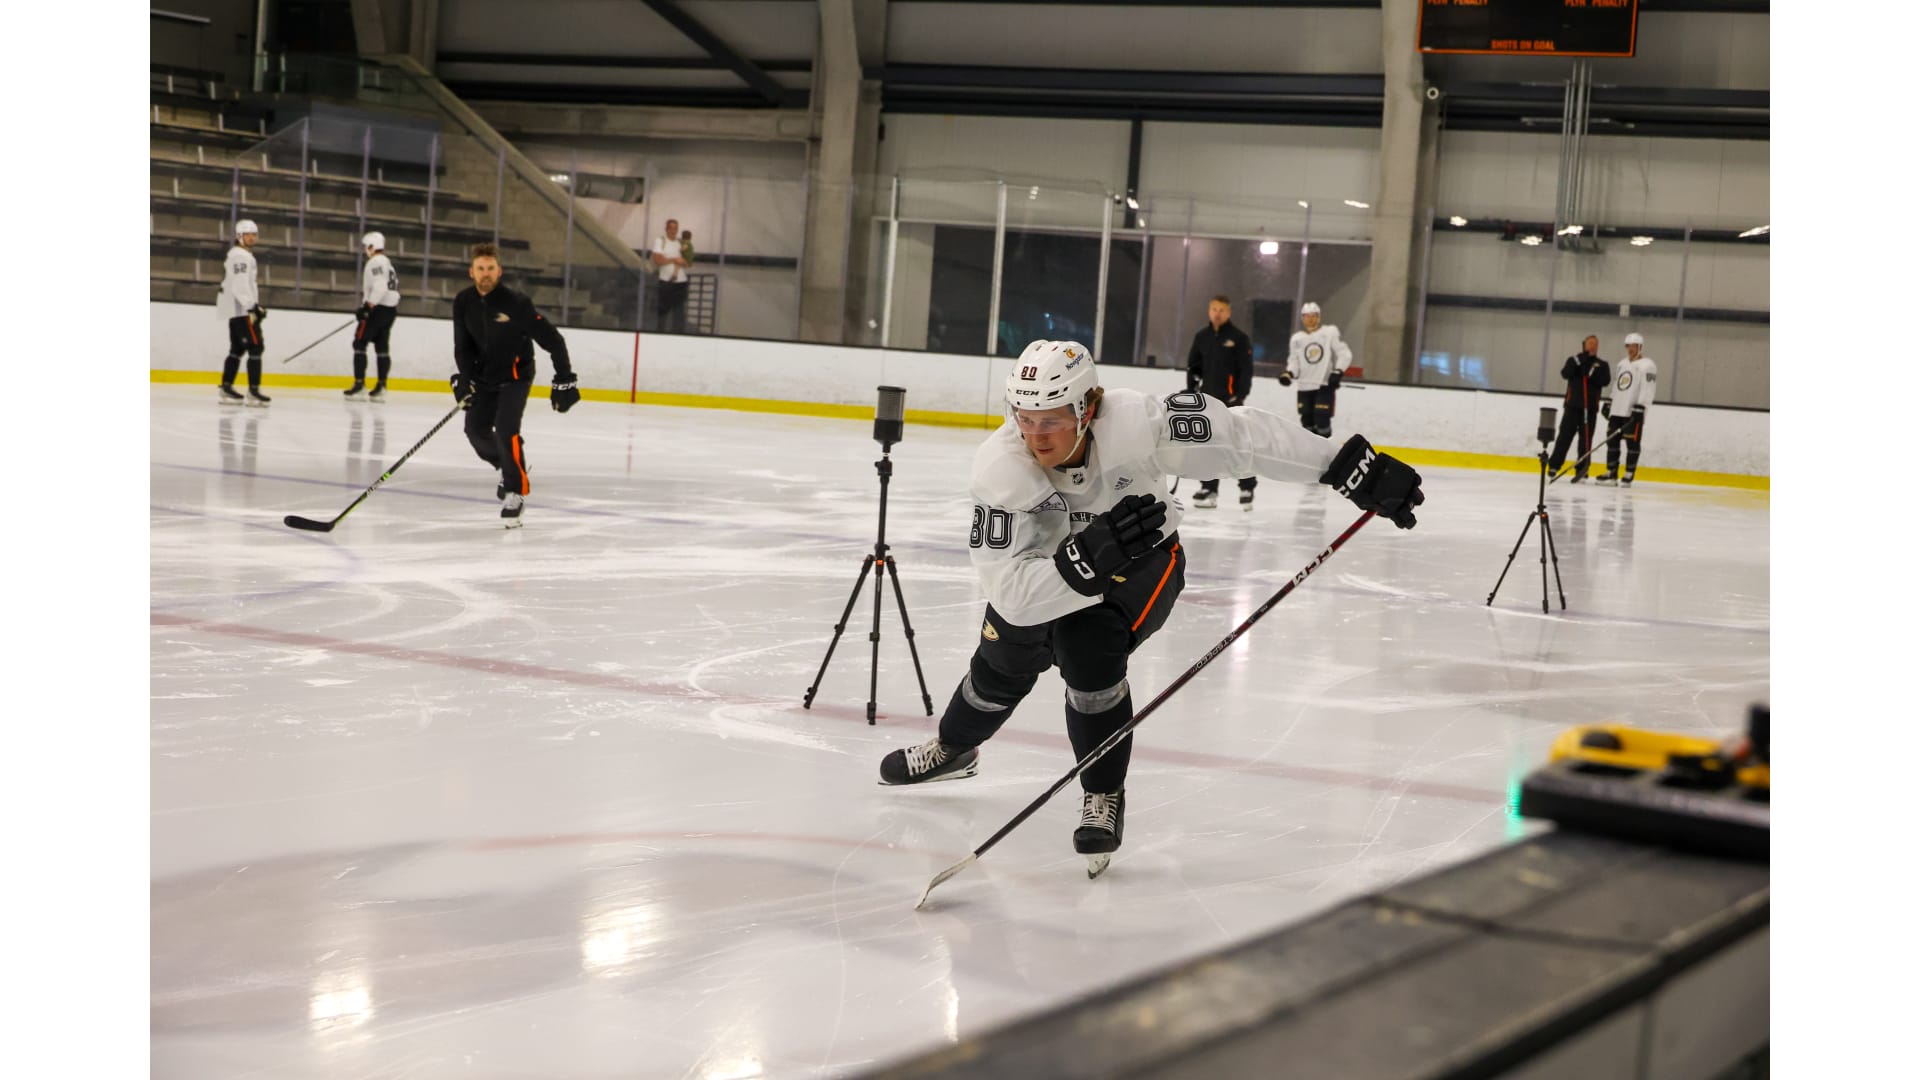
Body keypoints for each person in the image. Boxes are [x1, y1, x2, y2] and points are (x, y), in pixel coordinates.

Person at [877, 339, 1424, 876]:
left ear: (1088, 407)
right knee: (1004, 657)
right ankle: (955, 748)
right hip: (1051, 568)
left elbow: (1242, 437)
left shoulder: (1139, 425)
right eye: (1026, 417)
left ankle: (1102, 792)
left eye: (1053, 418)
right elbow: (1014, 597)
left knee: (1088, 649)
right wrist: (1085, 558)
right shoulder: (999, 470)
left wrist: (1349, 467)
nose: (1037, 434)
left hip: (1144, 562)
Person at [450, 243, 582, 527]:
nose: (486, 274)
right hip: (485, 378)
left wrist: (564, 379)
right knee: (474, 431)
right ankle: (508, 464)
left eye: (491, 268)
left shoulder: (516, 303)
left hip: (515, 377)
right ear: (471, 272)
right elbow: (463, 347)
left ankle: (515, 492)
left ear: (500, 271)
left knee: (506, 430)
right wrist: (464, 378)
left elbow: (553, 340)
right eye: (480, 269)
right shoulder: (463, 302)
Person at [1183, 295, 1255, 509]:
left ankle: (1247, 486)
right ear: (1209, 310)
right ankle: (1209, 487)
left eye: (1222, 309)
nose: (1217, 313)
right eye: (1214, 309)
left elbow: (1246, 370)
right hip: (1207, 400)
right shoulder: (1202, 337)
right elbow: (1194, 366)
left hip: (1231, 400)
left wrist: (1239, 395)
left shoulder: (1238, 338)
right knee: (1207, 445)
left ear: (1229, 312)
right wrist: (1192, 389)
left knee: (1236, 445)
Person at [216, 219, 270, 406]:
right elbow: (240, 286)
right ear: (239, 236)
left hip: (237, 310)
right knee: (256, 347)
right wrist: (252, 307)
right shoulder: (241, 257)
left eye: (254, 234)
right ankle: (254, 391)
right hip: (241, 311)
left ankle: (226, 387)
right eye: (248, 234)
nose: (252, 237)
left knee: (237, 349)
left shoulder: (240, 255)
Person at [345, 231, 401, 401]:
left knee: (359, 343)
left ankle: (359, 385)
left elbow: (380, 287)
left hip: (377, 309)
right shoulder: (387, 263)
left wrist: (368, 306)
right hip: (390, 310)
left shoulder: (374, 263)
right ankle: (382, 386)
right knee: (382, 347)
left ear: (372, 246)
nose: (364, 250)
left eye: (366, 246)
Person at [1283, 302, 1351, 437]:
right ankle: (1311, 454)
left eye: (1313, 315)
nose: (1310, 319)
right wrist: (1289, 373)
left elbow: (1344, 354)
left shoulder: (1329, 332)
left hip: (1324, 385)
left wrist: (1337, 371)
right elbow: (1294, 361)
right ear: (1302, 318)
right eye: (1306, 316)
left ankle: (1327, 451)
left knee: (1322, 420)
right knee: (1307, 422)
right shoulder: (1297, 339)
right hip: (1304, 386)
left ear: (1319, 317)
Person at [1548, 335, 1610, 482]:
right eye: (1590, 344)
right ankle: (1554, 465)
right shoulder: (1574, 360)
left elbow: (1605, 380)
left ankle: (1583, 468)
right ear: (1584, 345)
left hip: (1590, 408)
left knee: (1586, 440)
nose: (1593, 346)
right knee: (1564, 437)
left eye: (1595, 344)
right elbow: (1565, 373)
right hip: (1572, 407)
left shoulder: (1602, 364)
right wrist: (1579, 362)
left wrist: (1590, 374)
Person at [1599, 332, 1657, 486]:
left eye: (1633, 346)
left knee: (1632, 443)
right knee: (1612, 441)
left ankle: (1629, 473)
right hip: (1617, 409)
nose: (1630, 349)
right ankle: (1611, 473)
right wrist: (1610, 401)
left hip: (1633, 411)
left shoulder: (1647, 365)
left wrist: (1641, 406)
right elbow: (1617, 385)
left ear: (1640, 347)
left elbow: (1648, 388)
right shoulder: (1622, 364)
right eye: (1628, 346)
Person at [650, 218, 691, 333]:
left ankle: (677, 336)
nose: (673, 231)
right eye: (671, 228)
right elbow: (658, 260)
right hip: (666, 281)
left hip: (681, 282)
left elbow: (687, 263)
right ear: (666, 229)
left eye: (675, 228)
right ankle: (660, 334)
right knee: (663, 311)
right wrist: (674, 260)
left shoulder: (680, 243)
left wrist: (682, 262)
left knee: (679, 313)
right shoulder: (660, 240)